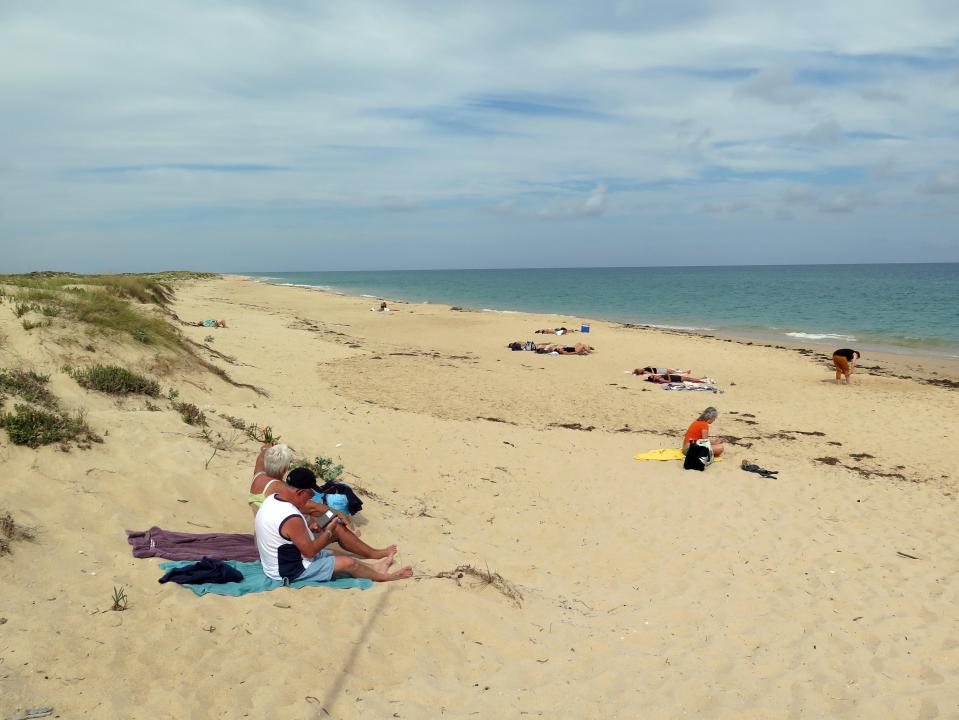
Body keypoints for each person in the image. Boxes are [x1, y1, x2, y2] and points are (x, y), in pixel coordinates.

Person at [255, 469, 412, 584]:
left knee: (332, 551)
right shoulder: (290, 516)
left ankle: (375, 567)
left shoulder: (273, 498)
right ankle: (386, 577)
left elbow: (290, 533)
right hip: (289, 571)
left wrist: (318, 528)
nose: (311, 498)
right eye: (310, 494)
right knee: (348, 563)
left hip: (278, 560)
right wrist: (328, 532)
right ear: (300, 492)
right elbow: (310, 551)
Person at [249, 445, 396, 560]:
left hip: (263, 538)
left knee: (313, 514)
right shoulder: (285, 492)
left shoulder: (258, 477)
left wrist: (266, 449)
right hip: (285, 542)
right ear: (285, 468)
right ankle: (373, 553)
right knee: (335, 525)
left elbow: (261, 457)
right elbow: (326, 510)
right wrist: (347, 524)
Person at [632, 367, 703, 382]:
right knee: (673, 372)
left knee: (673, 371)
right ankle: (699, 379)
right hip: (660, 371)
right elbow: (652, 373)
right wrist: (654, 374)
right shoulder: (645, 372)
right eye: (639, 369)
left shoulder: (644, 369)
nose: (640, 368)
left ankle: (686, 372)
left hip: (661, 371)